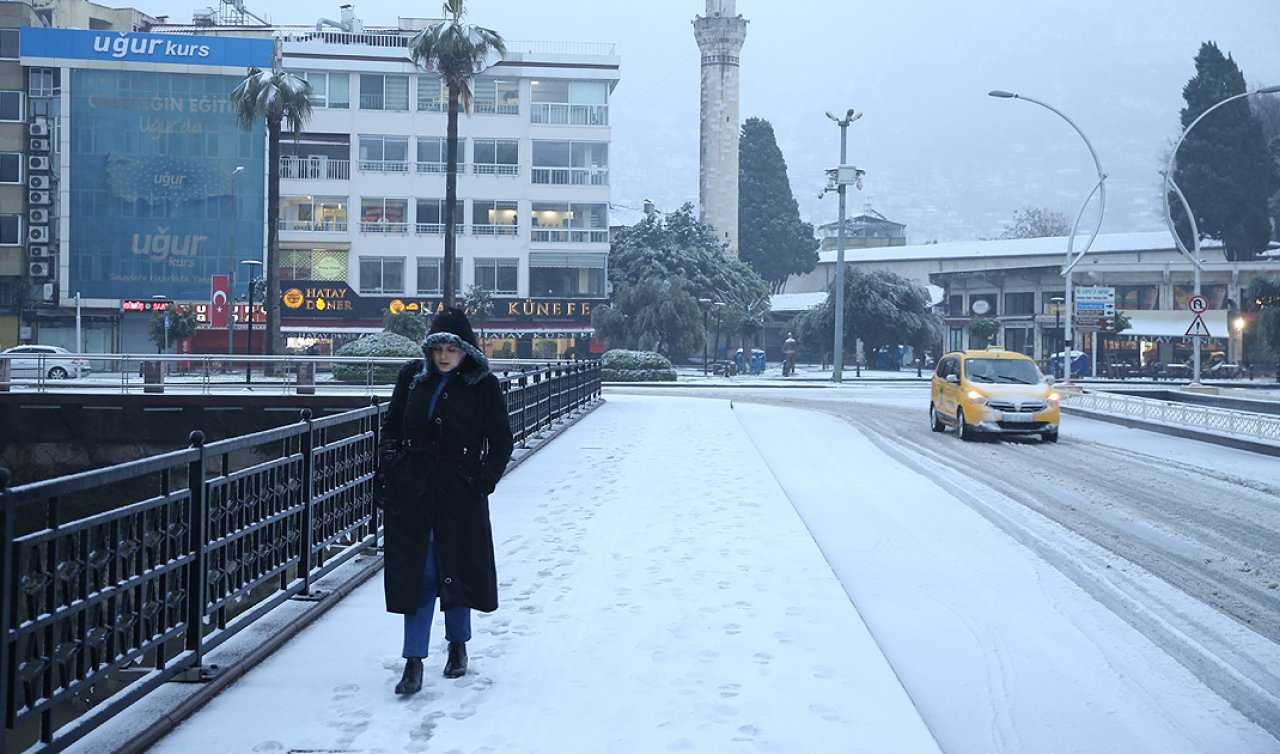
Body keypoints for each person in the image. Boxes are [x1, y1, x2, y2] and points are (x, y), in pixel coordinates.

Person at [378, 307, 515, 696]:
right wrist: (392, 462)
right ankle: (413, 661)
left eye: (452, 349)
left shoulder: (482, 384)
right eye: (437, 347)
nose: (443, 356)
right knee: (419, 575)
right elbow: (391, 426)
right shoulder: (411, 379)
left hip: (460, 494)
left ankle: (458, 646)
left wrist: (482, 482)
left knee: (455, 569)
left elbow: (502, 440)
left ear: (466, 351)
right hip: (415, 491)